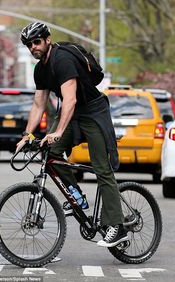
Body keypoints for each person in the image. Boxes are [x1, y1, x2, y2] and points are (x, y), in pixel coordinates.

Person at [17, 21, 128, 248]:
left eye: (36, 42)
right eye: (29, 45)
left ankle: (117, 226)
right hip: (73, 114)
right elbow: (39, 105)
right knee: (50, 153)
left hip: (93, 112)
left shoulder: (62, 60)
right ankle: (76, 196)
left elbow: (70, 99)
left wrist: (57, 131)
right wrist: (26, 135)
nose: (33, 47)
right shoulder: (41, 69)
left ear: (47, 39)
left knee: (101, 168)